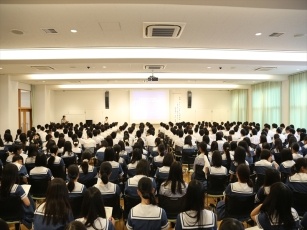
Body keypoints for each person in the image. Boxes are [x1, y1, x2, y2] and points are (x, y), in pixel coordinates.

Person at [0, 164, 34, 229]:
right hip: (16, 216)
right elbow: (27, 203)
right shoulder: (18, 188)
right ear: (15, 174)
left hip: (2, 215)